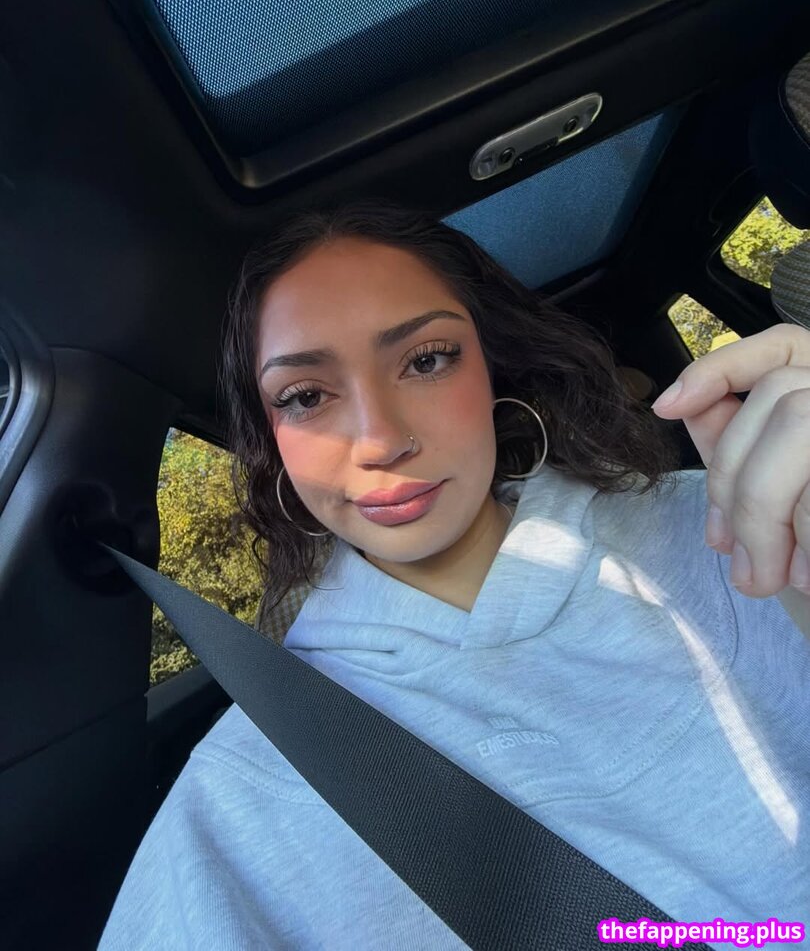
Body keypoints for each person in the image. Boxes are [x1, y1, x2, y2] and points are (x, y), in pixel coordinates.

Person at [99, 200, 810, 950]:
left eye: (427, 360)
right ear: (271, 441)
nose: (380, 440)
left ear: (493, 364)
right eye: (306, 397)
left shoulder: (726, 526)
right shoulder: (245, 792)